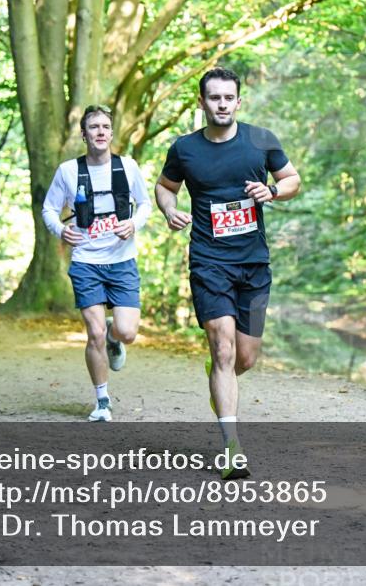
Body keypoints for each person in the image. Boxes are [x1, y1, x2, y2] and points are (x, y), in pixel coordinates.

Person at [155, 67, 300, 479]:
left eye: (227, 97)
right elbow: (165, 186)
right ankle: (232, 448)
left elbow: (292, 180)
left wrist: (271, 191)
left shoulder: (261, 140)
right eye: (213, 97)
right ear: (201, 102)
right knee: (222, 347)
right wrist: (169, 209)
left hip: (253, 264)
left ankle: (220, 374)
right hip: (209, 260)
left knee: (245, 358)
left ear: (239, 101)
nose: (221, 104)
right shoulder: (184, 149)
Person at [42, 104, 152, 422]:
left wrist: (134, 224)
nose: (100, 132)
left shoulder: (127, 167)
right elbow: (49, 209)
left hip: (122, 260)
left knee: (127, 332)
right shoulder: (68, 171)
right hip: (86, 261)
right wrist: (61, 230)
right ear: (84, 134)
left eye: (105, 126)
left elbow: (144, 204)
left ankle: (115, 338)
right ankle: (102, 401)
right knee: (94, 334)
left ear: (112, 133)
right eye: (94, 127)